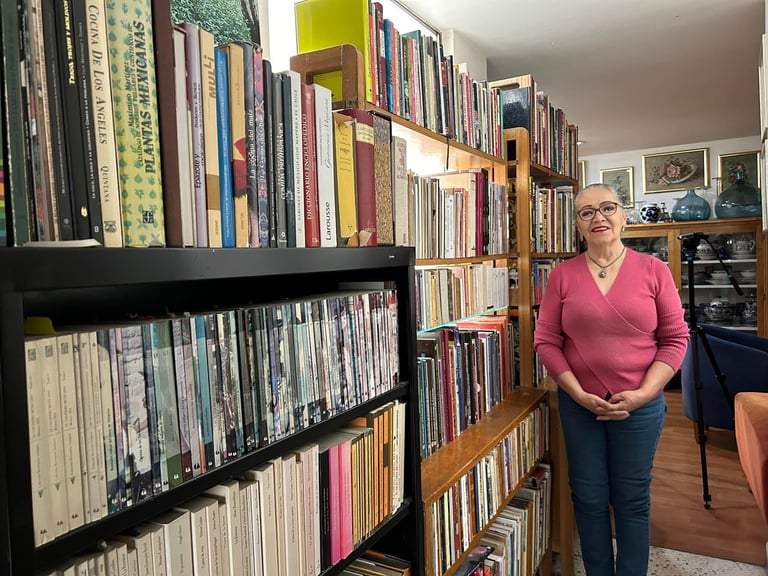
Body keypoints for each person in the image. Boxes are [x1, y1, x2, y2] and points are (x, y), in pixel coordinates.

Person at [533, 184, 689, 576]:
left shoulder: (654, 269)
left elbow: (674, 340)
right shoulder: (563, 276)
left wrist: (643, 394)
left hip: (640, 406)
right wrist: (578, 393)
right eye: (586, 212)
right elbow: (546, 341)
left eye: (607, 208)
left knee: (631, 498)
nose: (598, 217)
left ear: (623, 214)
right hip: (579, 404)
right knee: (587, 496)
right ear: (577, 224)